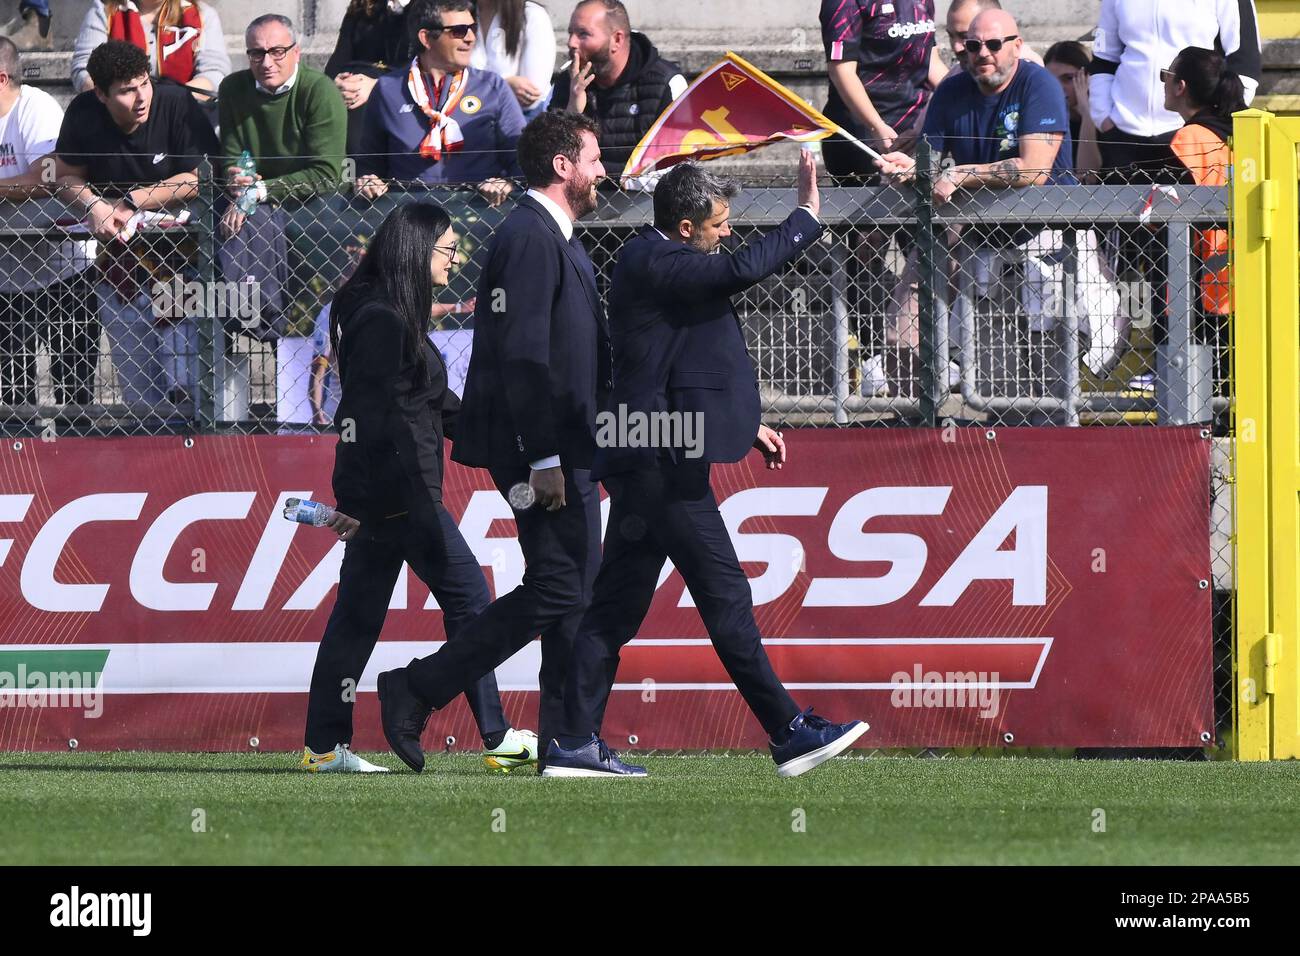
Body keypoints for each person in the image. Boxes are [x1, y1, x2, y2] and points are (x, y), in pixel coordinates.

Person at [543, 156, 870, 778]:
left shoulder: (665, 265)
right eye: (719, 224)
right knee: (724, 594)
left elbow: (680, 368)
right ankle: (789, 731)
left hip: (654, 445)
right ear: (687, 227)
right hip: (658, 458)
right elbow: (744, 269)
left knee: (616, 608)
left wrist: (744, 429)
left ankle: (572, 742)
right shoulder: (653, 258)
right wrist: (804, 214)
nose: (727, 233)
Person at [375, 111, 610, 774]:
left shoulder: (553, 236)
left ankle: (568, 741)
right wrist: (543, 458)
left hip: (565, 450)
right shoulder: (531, 237)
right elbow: (525, 360)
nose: (603, 172)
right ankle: (418, 687)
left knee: (572, 589)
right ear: (563, 166)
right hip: (541, 454)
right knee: (562, 589)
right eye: (593, 158)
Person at [302, 201, 538, 774]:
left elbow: (435, 404)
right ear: (417, 249)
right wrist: (353, 501)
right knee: (470, 600)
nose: (454, 261)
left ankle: (322, 748)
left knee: (357, 617)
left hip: (387, 495)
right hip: (401, 497)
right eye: (448, 250)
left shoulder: (386, 312)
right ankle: (495, 736)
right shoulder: (383, 319)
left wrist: (506, 446)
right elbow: (364, 415)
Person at [52, 40, 219, 408]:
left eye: (144, 83)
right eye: (127, 90)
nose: (141, 97)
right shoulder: (82, 112)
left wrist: (132, 202)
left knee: (190, 391)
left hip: (180, 266)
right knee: (141, 399)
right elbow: (64, 176)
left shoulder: (174, 101)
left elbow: (199, 177)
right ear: (100, 93)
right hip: (118, 271)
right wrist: (94, 205)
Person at [0, 38, 99, 412]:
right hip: (8, 278)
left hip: (63, 271)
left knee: (73, 390)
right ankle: (19, 469)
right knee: (13, 396)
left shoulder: (35, 107)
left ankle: (78, 463)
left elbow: (47, 176)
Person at [354, 0, 521, 207]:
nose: (470, 38)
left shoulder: (492, 88)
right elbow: (368, 162)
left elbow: (522, 159)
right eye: (459, 31)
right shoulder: (388, 90)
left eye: (473, 28)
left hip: (479, 215)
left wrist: (507, 184)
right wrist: (367, 180)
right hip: (409, 216)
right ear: (426, 38)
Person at [1089, 0, 1260, 177]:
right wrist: (1104, 118)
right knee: (1119, 205)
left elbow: (1245, 62)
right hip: (1122, 135)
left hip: (1193, 137)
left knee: (1195, 205)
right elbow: (1103, 59)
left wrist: (1215, 121)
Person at [218, 14, 347, 239]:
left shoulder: (319, 90)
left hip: (317, 206)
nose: (267, 63)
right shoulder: (232, 88)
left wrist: (259, 191)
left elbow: (327, 173)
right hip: (256, 203)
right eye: (257, 53)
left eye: (277, 52)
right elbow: (231, 157)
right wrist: (235, 177)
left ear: (296, 53)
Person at [1161, 45, 1243, 385]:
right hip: (1246, 276)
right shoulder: (1243, 133)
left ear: (1181, 87)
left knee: (1201, 391)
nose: (1162, 83)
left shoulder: (1189, 139)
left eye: (1165, 76)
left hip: (1200, 283)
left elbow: (1164, 211)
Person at [551, 0, 686, 174]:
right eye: (571, 33)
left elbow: (673, 166)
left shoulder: (665, 83)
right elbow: (550, 161)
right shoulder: (568, 82)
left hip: (647, 199)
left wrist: (598, 174)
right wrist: (572, 111)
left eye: (583, 34)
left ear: (617, 39)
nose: (572, 43)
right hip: (578, 196)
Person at [818, 0, 946, 179]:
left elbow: (930, 61)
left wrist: (966, 94)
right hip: (866, 138)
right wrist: (876, 126)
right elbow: (841, 71)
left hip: (915, 133)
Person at [71, 0, 231, 106]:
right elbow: (85, 71)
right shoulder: (105, 10)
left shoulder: (202, 14)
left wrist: (163, 102)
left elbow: (214, 73)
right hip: (117, 120)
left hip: (183, 116)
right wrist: (124, 99)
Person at [326, 0, 413, 157]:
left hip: (401, 89)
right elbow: (338, 59)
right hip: (354, 87)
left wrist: (378, 86)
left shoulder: (427, 8)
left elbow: (427, 67)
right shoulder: (362, 6)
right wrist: (337, 82)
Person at [473, 0, 557, 119]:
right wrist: (504, 84)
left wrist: (475, 87)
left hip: (519, 120)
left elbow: (530, 95)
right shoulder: (460, 13)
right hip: (467, 114)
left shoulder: (532, 15)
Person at [1043, 40, 1101, 180]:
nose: (1058, 87)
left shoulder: (1104, 120)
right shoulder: (1047, 121)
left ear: (1087, 78)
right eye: (1050, 80)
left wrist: (1087, 115)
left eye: (1068, 78)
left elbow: (1088, 179)